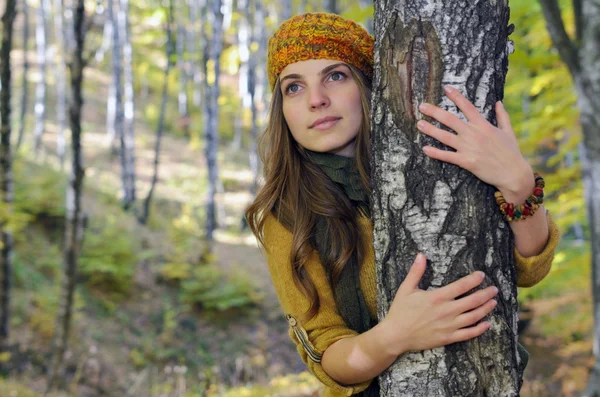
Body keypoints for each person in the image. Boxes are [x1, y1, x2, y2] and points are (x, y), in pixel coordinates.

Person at [245, 12, 560, 397]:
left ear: (368, 86)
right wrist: (393, 337)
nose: (316, 100)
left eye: (336, 75)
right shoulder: (287, 214)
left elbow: (527, 269)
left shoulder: (433, 158)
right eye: (293, 87)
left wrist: (520, 185)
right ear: (283, 109)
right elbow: (327, 356)